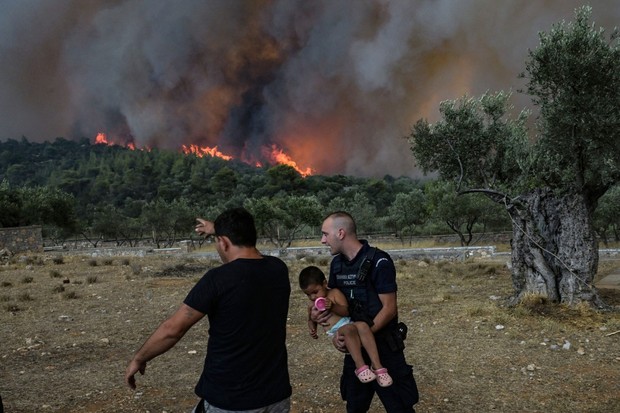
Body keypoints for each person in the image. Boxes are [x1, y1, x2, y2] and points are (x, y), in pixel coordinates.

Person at [124, 207, 292, 413]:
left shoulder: (217, 280)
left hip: (230, 401)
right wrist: (219, 230)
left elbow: (172, 330)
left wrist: (139, 358)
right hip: (276, 398)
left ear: (223, 242)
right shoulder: (278, 269)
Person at [313, 211, 419, 413]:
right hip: (356, 352)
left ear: (341, 233)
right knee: (355, 407)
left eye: (325, 234)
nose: (322, 240)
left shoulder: (379, 262)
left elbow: (389, 308)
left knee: (400, 407)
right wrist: (338, 335)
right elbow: (336, 305)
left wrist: (362, 334)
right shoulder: (337, 265)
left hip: (385, 349)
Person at [299, 266, 393, 387]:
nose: (313, 297)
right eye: (308, 294)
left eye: (315, 292)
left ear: (324, 283)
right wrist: (312, 328)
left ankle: (377, 366)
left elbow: (346, 311)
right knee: (349, 329)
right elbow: (310, 319)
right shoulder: (311, 304)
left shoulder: (334, 294)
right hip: (337, 332)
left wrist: (332, 306)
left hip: (349, 323)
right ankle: (360, 367)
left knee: (363, 326)